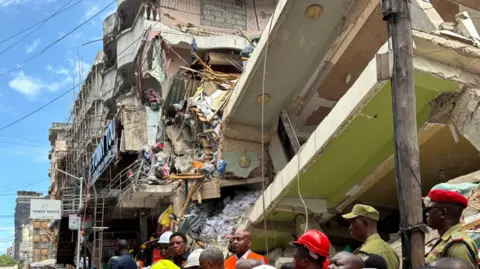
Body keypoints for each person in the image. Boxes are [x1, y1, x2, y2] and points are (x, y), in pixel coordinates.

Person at [425, 189, 478, 268]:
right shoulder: (445, 240)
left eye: (430, 210)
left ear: (443, 213)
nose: (427, 214)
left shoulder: (458, 247)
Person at [342, 204, 399, 269]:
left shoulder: (364, 253)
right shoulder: (391, 251)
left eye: (352, 222)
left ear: (364, 223)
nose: (350, 228)